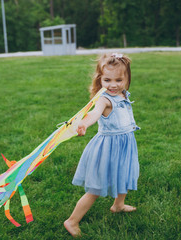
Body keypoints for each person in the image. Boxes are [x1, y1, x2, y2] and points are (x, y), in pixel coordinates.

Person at [64, 53, 140, 237]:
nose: (113, 85)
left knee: (124, 174)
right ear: (100, 79)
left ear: (127, 78)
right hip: (107, 149)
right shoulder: (104, 99)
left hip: (125, 145)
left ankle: (118, 205)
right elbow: (94, 113)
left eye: (118, 79)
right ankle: (72, 221)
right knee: (96, 189)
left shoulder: (123, 94)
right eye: (107, 80)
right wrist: (83, 123)